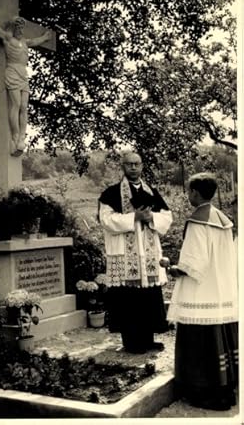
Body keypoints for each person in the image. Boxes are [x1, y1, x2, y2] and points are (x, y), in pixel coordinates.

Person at [167, 173, 238, 410]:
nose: (188, 196)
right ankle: (225, 391)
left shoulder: (198, 221)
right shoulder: (224, 220)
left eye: (189, 191)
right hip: (221, 290)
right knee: (220, 339)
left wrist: (172, 268)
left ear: (195, 193)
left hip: (201, 293)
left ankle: (204, 393)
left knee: (199, 341)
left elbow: (193, 265)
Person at [98, 151, 173, 353]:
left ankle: (148, 340)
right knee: (128, 299)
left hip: (147, 255)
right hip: (125, 253)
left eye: (136, 164)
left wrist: (150, 218)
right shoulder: (111, 193)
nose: (133, 167)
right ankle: (131, 342)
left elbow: (167, 217)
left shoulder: (153, 192)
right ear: (122, 166)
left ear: (142, 166)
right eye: (129, 164)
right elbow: (105, 219)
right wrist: (134, 217)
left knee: (148, 297)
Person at [0, 2, 51, 156]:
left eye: (21, 28)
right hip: (12, 71)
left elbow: (36, 41)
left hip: (23, 73)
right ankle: (14, 136)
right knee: (16, 104)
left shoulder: (25, 42)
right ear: (13, 28)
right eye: (17, 27)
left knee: (24, 106)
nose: (19, 30)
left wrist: (46, 37)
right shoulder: (7, 39)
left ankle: (21, 138)